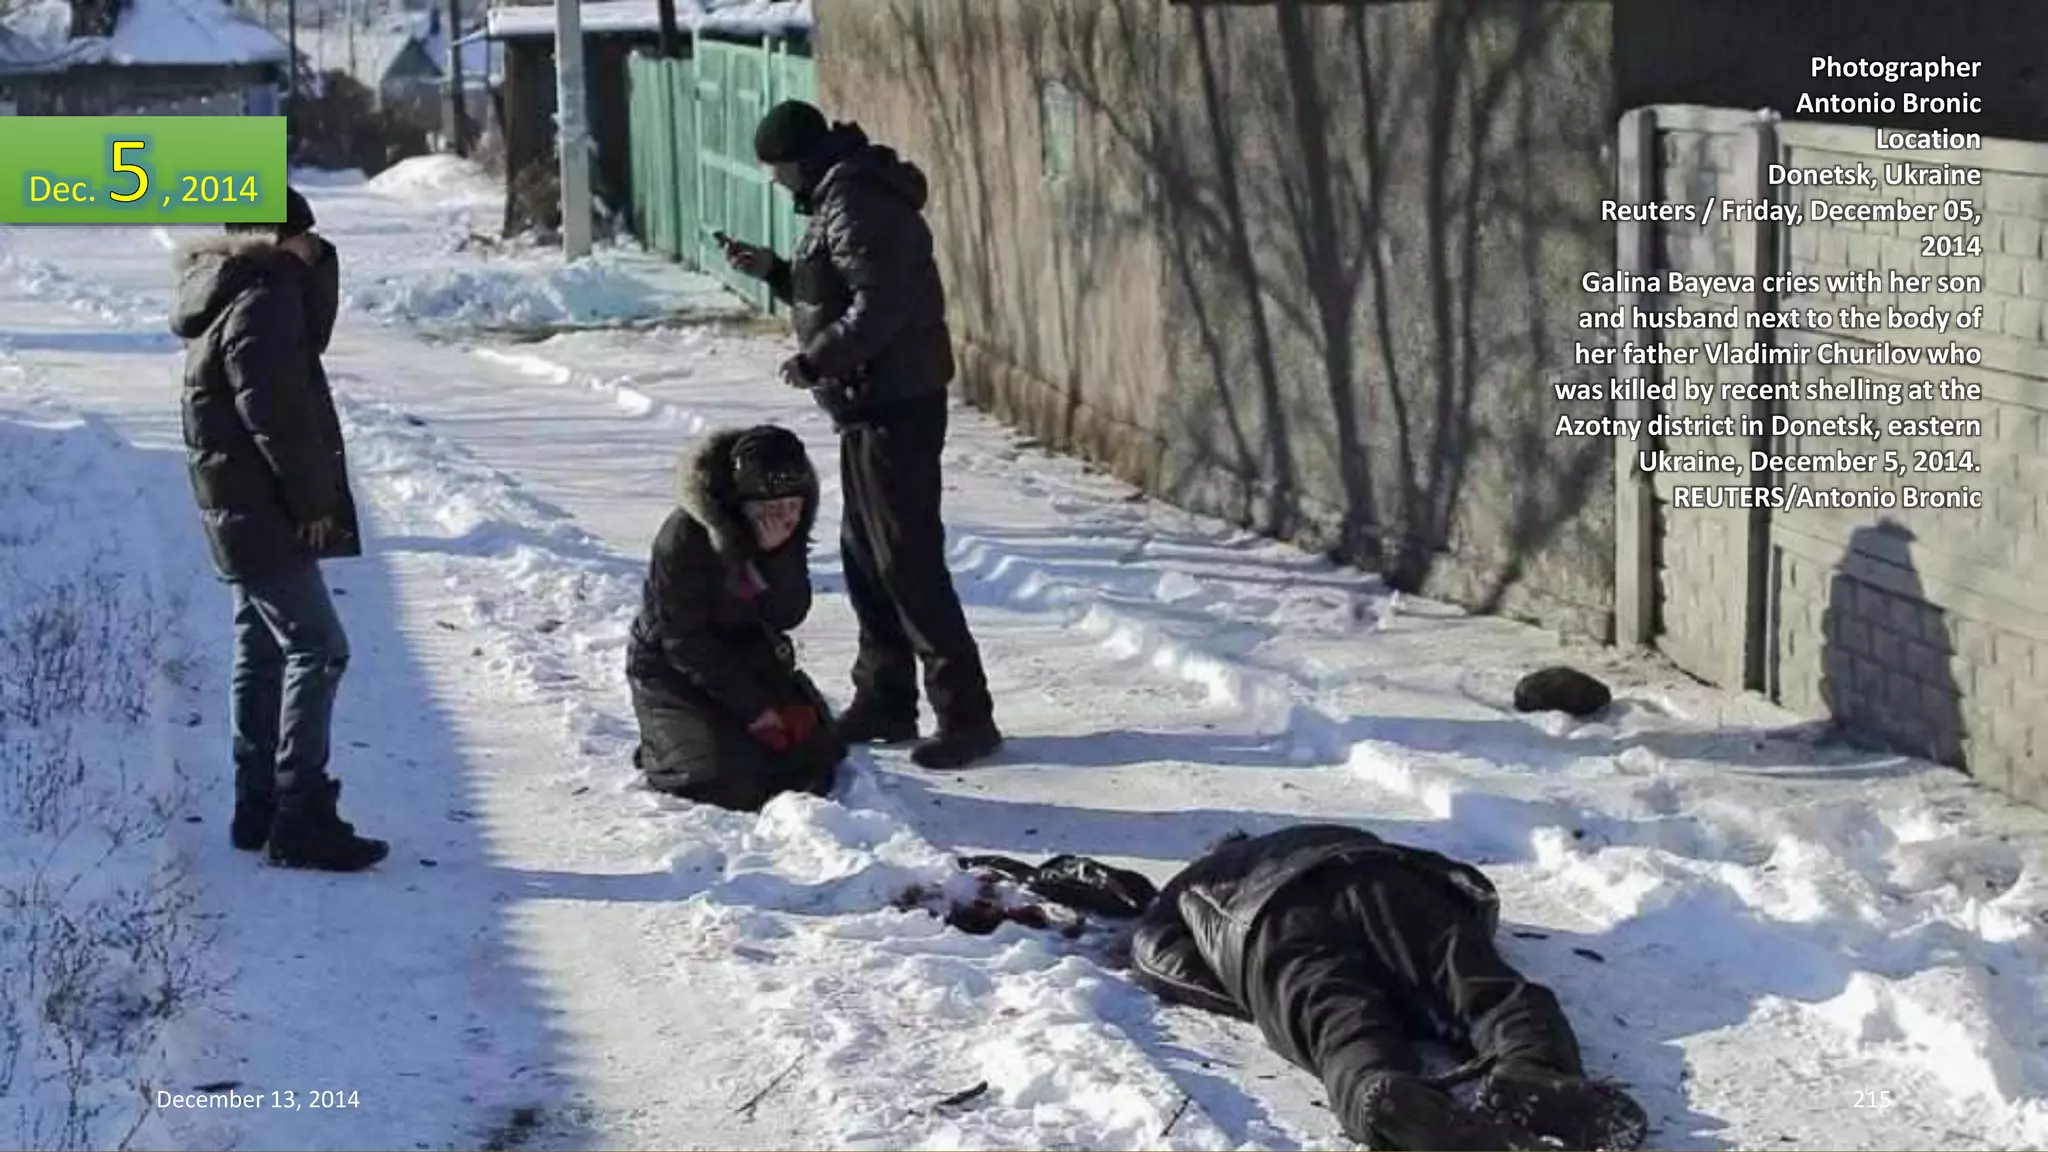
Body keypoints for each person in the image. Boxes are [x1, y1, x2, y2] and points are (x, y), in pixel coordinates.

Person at [716, 99, 1002, 771]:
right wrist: (778, 273)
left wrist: (820, 359)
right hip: (868, 404)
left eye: (776, 170)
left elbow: (883, 306)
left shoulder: (857, 202)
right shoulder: (841, 198)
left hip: (894, 404)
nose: (777, 183)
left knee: (906, 558)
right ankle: (885, 698)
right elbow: (839, 290)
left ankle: (967, 714)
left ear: (795, 161)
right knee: (864, 556)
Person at [1129, 825, 1647, 1151]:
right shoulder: (1334, 831)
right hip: (1387, 881)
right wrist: (1461, 932)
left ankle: (1387, 1096)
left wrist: (1254, 997)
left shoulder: (1198, 878)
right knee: (1489, 992)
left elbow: (1158, 956)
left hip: (1274, 922)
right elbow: (1466, 882)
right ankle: (1531, 1068)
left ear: (1221, 850)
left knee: (1340, 1027)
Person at [171, 186, 389, 872]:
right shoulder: (263, 300)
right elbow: (277, 415)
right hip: (262, 506)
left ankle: (257, 803)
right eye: (306, 238)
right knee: (319, 650)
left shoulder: (232, 291)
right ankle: (301, 814)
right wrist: (313, 503)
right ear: (275, 238)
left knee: (262, 649)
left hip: (238, 504)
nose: (316, 248)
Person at [626, 425, 847, 810]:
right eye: (769, 510)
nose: (784, 518)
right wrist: (756, 711)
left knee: (814, 760)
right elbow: (684, 640)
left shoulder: (787, 530)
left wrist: (778, 558)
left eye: (792, 507)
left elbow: (789, 613)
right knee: (724, 783)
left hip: (749, 657)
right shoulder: (684, 537)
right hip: (674, 666)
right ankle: (660, 744)